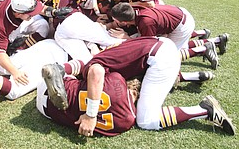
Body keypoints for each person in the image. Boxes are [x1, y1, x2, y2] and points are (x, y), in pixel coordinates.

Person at [37, 37, 235, 137]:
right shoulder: (125, 114)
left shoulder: (111, 78)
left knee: (147, 115)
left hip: (45, 101)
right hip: (157, 51)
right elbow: (97, 74)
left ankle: (62, 69)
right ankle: (201, 101)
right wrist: (91, 115)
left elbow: (96, 72)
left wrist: (90, 114)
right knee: (147, 119)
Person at [0, 0, 71, 85]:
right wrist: (15, 72)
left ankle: (15, 47)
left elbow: (41, 8)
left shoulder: (21, 0)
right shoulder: (1, 24)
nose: (34, 14)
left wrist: (54, 12)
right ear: (18, 14)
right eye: (31, 13)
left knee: (41, 25)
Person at [109, 2, 228, 69]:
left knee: (167, 55)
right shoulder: (134, 10)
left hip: (181, 25)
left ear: (124, 22)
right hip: (177, 14)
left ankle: (205, 48)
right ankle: (216, 39)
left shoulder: (146, 22)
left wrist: (126, 37)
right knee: (167, 40)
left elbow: (147, 47)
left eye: (117, 21)